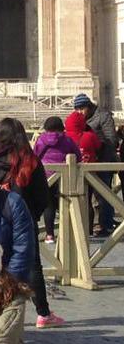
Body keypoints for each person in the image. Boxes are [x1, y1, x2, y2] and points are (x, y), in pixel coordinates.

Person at [0, 116, 64, 328]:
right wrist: (32, 216)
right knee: (33, 266)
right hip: (23, 219)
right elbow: (42, 196)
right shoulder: (30, 160)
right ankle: (43, 313)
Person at [73, 92, 119, 236]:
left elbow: (112, 139)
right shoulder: (80, 118)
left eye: (82, 109)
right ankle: (90, 224)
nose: (79, 112)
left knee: (103, 194)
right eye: (77, 109)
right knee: (86, 196)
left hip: (103, 160)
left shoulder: (103, 116)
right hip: (86, 163)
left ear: (89, 106)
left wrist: (95, 145)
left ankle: (105, 224)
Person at [33, 115, 80, 242]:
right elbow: (77, 155)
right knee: (66, 203)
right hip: (64, 175)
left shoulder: (41, 140)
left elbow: (35, 155)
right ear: (61, 127)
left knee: (49, 206)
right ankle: (68, 235)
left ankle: (49, 235)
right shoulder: (67, 140)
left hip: (45, 176)